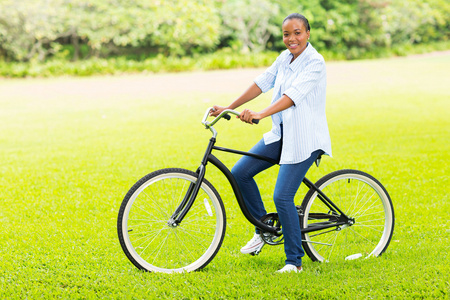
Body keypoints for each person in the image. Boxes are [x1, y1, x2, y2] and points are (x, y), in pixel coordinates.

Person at [210, 13, 332, 273]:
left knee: (282, 196)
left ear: (308, 33)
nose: (291, 39)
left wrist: (260, 114)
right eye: (287, 34)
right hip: (282, 135)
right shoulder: (284, 58)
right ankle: (263, 230)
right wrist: (228, 108)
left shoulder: (315, 62)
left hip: (305, 139)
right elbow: (261, 83)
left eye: (297, 33)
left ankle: (293, 262)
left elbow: (292, 96)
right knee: (240, 173)